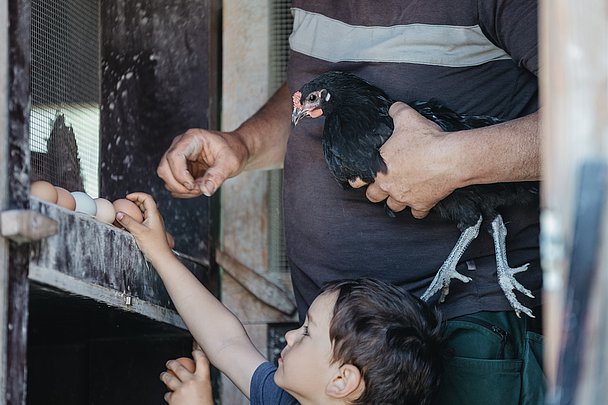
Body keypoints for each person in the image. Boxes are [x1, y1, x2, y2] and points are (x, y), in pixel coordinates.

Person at [157, 2, 544, 403]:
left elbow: (594, 119)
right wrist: (244, 144)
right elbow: (320, 88)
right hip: (334, 339)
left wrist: (448, 161)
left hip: (464, 328)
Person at [117, 192, 445, 405]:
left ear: (342, 380)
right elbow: (226, 342)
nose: (289, 335)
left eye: (306, 333)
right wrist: (161, 256)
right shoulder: (289, 398)